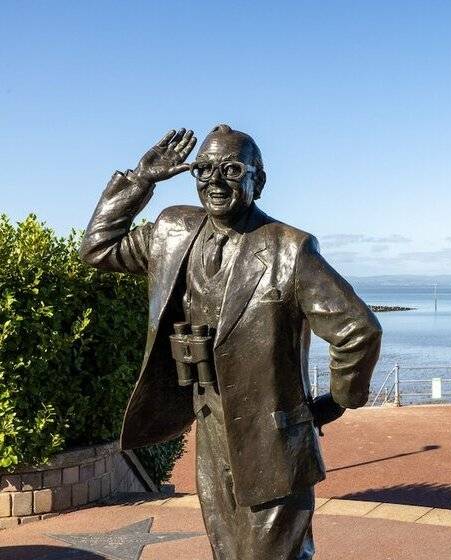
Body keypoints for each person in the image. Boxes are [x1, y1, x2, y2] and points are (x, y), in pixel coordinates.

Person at [80, 126, 382, 560]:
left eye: (232, 170)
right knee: (226, 550)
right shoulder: (172, 231)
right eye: (204, 169)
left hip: (273, 438)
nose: (215, 181)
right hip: (210, 424)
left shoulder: (290, 249)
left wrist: (337, 400)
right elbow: (98, 248)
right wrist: (140, 181)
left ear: (258, 180)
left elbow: (358, 330)